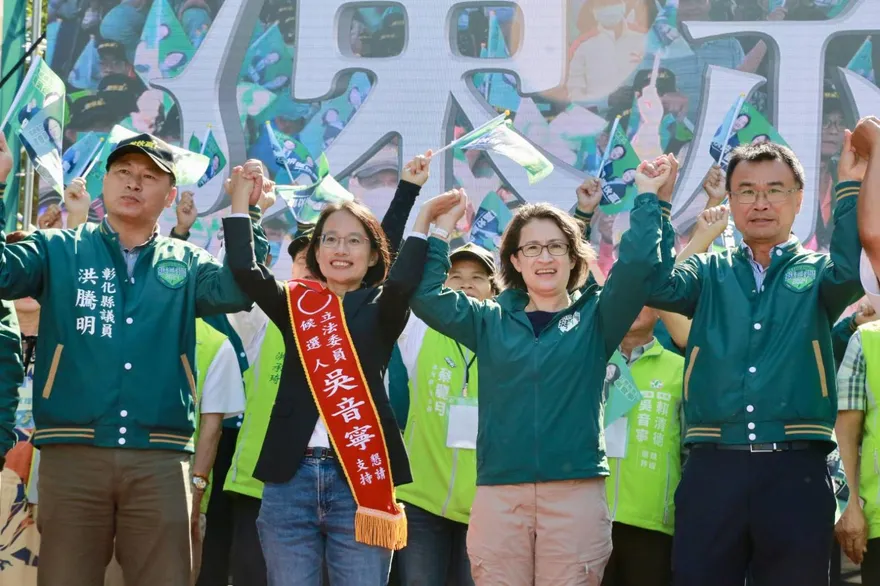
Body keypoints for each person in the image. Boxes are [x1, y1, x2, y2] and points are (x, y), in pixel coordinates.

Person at [0, 130, 269, 586]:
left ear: (169, 196)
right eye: (123, 172)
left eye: (149, 177)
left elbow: (241, 288)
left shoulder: (186, 261)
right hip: (73, 451)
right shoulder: (61, 249)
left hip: (160, 458)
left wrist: (248, 211)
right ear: (105, 182)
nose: (133, 183)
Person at [409, 156, 672, 584]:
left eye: (556, 247)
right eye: (531, 248)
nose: (544, 257)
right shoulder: (489, 320)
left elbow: (639, 266)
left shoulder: (597, 318)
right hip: (500, 493)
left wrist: (646, 194)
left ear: (573, 258)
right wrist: (439, 231)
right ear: (515, 260)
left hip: (575, 494)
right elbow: (424, 296)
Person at [222, 154, 449, 585]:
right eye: (329, 240)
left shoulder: (382, 309)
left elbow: (400, 279)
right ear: (317, 250)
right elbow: (244, 270)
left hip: (359, 480)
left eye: (354, 241)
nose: (340, 250)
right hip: (290, 480)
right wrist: (240, 204)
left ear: (372, 256)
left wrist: (413, 201)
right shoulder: (296, 305)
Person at [647, 139, 864, 586]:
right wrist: (655, 202)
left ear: (798, 199)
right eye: (746, 190)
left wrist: (848, 187)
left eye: (775, 190)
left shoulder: (819, 271)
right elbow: (657, 286)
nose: (761, 203)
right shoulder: (709, 271)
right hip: (712, 468)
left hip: (796, 470)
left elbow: (850, 272)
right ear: (730, 199)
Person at [392, 242, 498, 586]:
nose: (466, 284)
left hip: (484, 508)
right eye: (456, 276)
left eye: (477, 277)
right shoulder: (419, 330)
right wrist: (437, 232)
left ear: (493, 291)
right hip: (420, 501)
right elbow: (407, 284)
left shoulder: (506, 339)